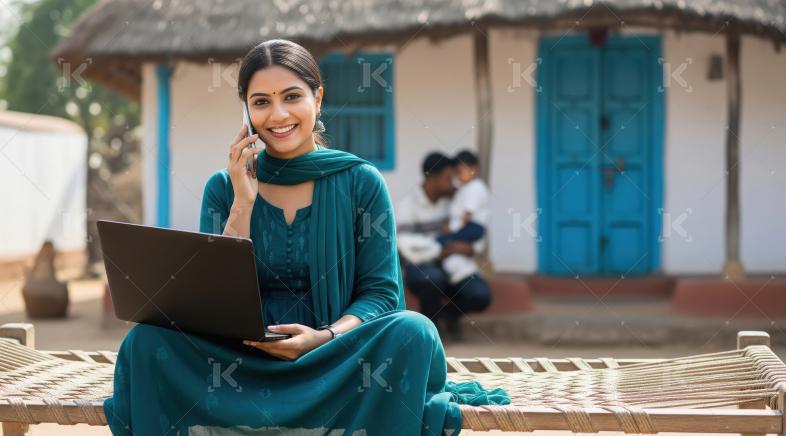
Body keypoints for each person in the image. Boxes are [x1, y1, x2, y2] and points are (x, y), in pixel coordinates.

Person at [102, 39, 507, 435]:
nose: (278, 115)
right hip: (240, 361)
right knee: (146, 341)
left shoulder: (361, 182)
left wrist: (324, 337)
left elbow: (381, 294)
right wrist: (243, 201)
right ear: (246, 111)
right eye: (261, 102)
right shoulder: (224, 188)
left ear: (318, 97)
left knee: (413, 331)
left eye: (292, 96)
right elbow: (211, 300)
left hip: (337, 361)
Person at [396, 152, 492, 342]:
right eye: (449, 178)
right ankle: (430, 334)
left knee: (480, 294)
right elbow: (404, 243)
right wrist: (440, 249)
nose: (454, 183)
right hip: (420, 267)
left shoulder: (455, 200)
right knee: (432, 278)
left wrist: (471, 249)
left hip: (453, 264)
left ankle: (448, 316)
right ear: (432, 178)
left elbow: (476, 229)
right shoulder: (407, 205)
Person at [437, 150, 490, 285]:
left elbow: (467, 215)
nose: (458, 176)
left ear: (474, 169)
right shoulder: (465, 187)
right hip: (466, 226)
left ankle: (462, 275)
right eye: (456, 172)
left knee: (442, 242)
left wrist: (452, 228)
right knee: (447, 245)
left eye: (461, 171)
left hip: (472, 227)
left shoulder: (475, 188)